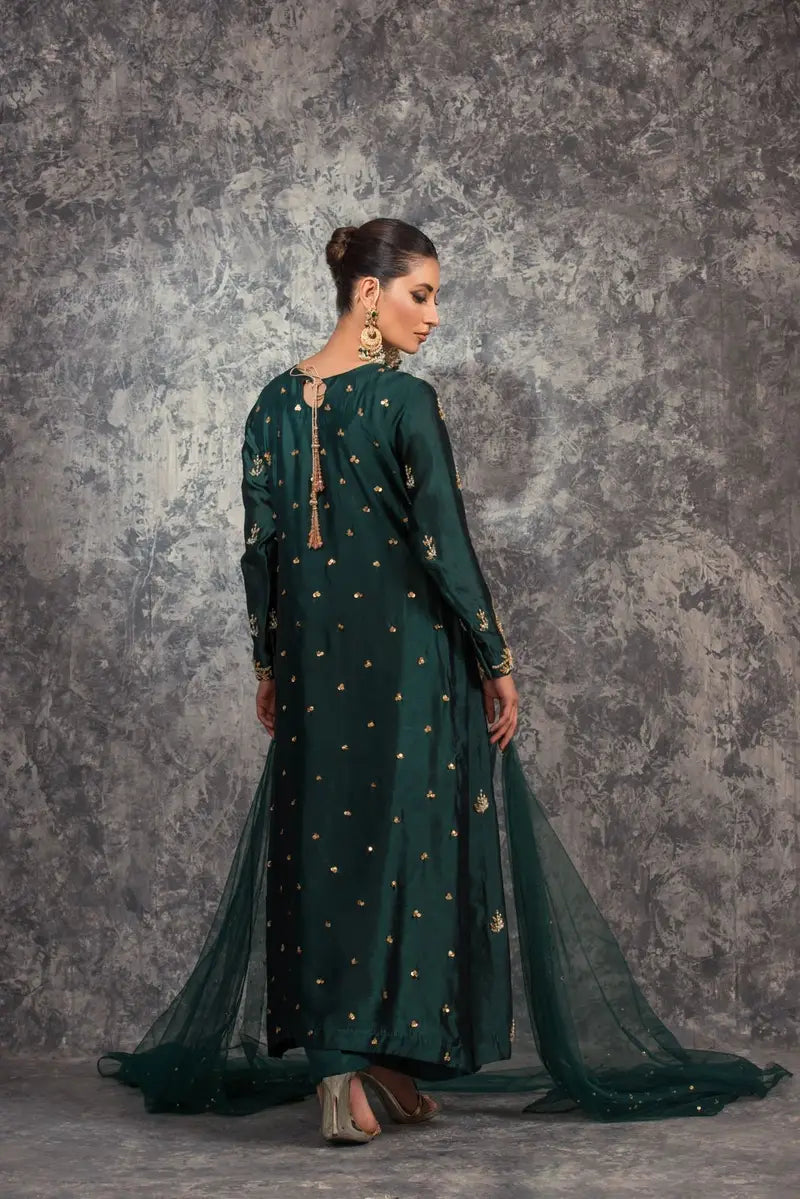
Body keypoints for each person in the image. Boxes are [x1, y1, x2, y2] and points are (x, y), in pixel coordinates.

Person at [97, 218, 790, 1142]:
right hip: (413, 657)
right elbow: (443, 544)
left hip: (315, 664)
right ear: (369, 293)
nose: (434, 316)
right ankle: (354, 1067)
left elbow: (260, 551)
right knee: (406, 847)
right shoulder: (403, 402)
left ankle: (363, 1064)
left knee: (327, 840)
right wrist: (496, 657)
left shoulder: (270, 405)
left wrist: (268, 661)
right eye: (421, 294)